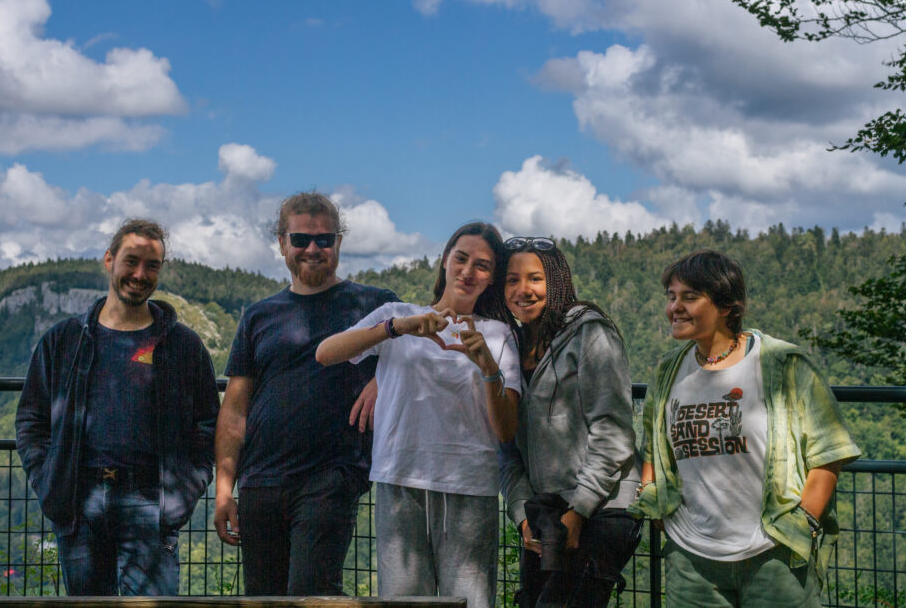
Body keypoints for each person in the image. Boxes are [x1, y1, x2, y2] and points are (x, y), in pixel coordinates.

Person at [629, 250, 861, 607]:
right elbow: (654, 447)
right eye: (671, 296)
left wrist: (803, 524)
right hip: (691, 559)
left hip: (773, 556)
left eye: (690, 297)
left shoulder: (783, 365)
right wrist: (654, 499)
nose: (675, 307)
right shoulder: (669, 371)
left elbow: (828, 454)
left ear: (725, 306)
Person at [316, 221, 520, 608]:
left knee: (472, 603)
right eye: (461, 258)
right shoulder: (398, 315)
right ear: (444, 261)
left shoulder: (498, 334)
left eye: (482, 266)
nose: (468, 271)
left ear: (491, 279)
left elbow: (506, 429)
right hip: (400, 477)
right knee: (403, 604)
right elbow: (326, 353)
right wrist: (394, 329)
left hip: (470, 485)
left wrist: (488, 367)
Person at [15, 219, 219, 596]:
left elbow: (208, 425)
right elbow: (31, 420)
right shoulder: (62, 341)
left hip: (152, 501)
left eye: (152, 265)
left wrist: (183, 496)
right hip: (79, 501)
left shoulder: (183, 346)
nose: (140, 274)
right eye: (131, 261)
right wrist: (49, 484)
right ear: (109, 260)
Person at [213, 191, 397, 596]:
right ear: (282, 244)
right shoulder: (258, 316)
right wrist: (225, 487)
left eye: (324, 239)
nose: (312, 249)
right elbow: (234, 409)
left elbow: (423, 356)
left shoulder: (375, 304)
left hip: (332, 475)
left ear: (338, 243)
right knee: (264, 597)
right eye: (300, 239)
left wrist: (383, 380)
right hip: (260, 479)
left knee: (312, 592)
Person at [498, 237, 642, 607]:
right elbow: (506, 449)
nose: (522, 290)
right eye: (512, 280)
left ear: (557, 281)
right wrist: (522, 516)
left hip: (604, 507)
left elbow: (613, 432)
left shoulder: (589, 333)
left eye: (535, 279)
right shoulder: (508, 348)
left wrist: (579, 510)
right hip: (546, 515)